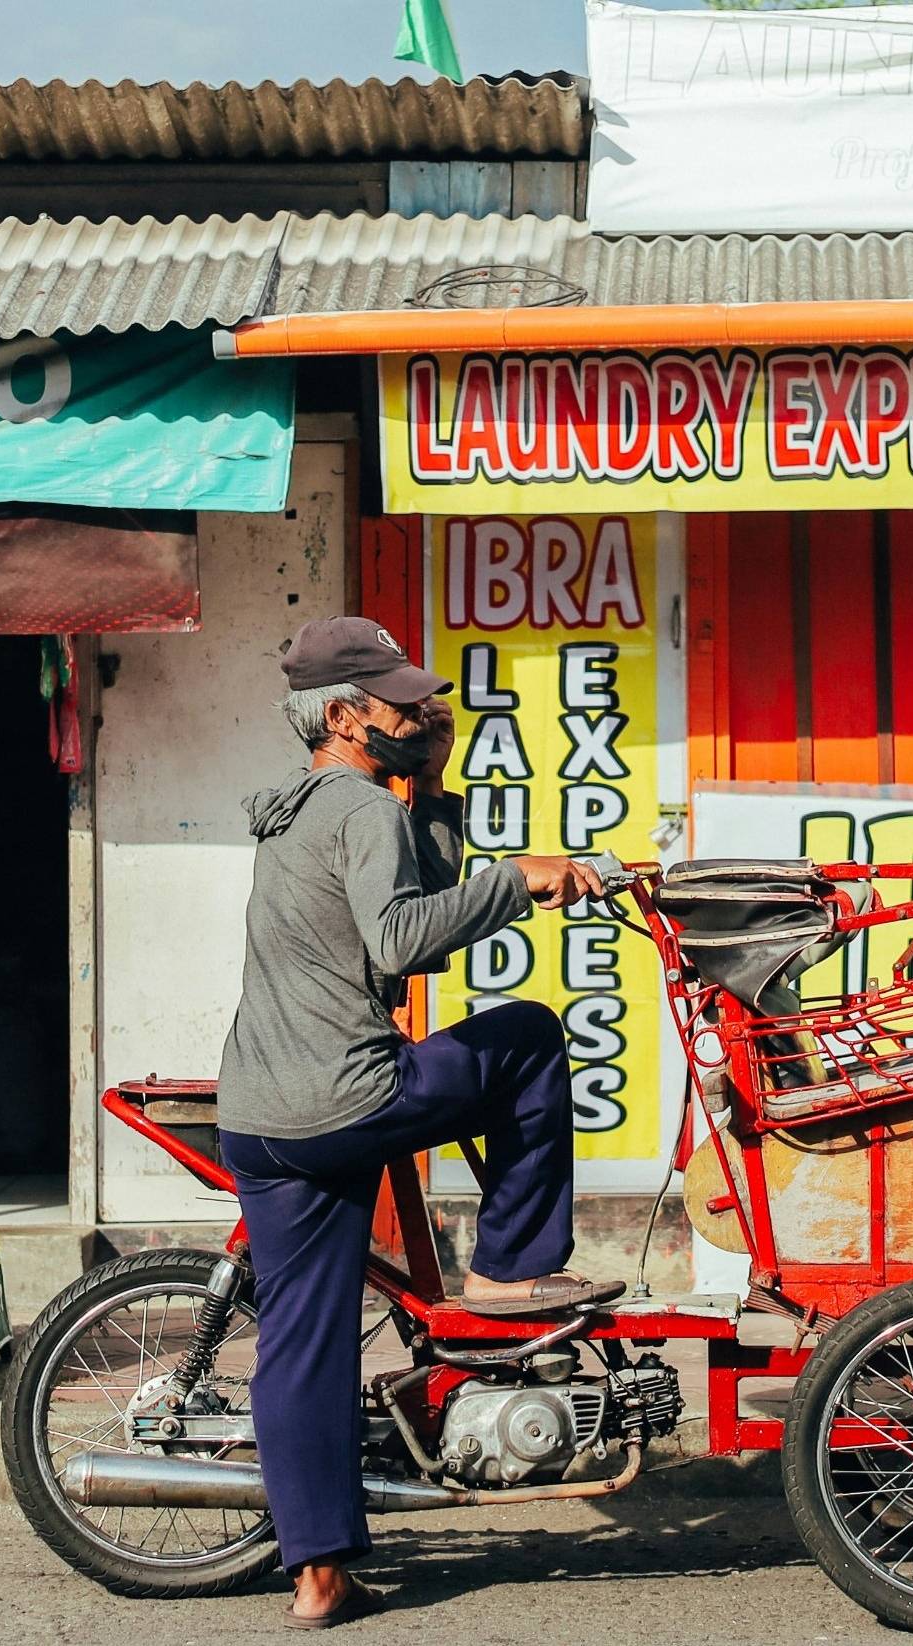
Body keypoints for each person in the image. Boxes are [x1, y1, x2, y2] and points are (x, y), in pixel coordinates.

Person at [214, 616, 614, 1630]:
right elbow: (404, 934)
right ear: (345, 718)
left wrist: (432, 785)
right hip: (345, 1096)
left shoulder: (308, 807)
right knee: (525, 1036)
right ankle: (508, 1266)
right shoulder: (354, 805)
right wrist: (519, 878)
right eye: (399, 702)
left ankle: (318, 1574)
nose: (421, 710)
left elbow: (409, 941)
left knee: (301, 1345)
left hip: (264, 1114)